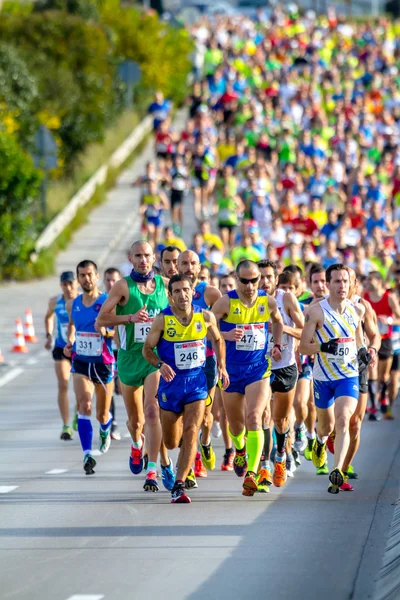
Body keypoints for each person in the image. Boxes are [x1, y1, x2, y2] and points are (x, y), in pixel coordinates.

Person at [143, 274, 229, 503]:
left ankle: (180, 484)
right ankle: (170, 462)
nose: (183, 295)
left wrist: (221, 365)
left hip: (196, 383)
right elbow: (147, 349)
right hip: (171, 385)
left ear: (193, 292)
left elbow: (218, 340)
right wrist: (160, 365)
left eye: (186, 290)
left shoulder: (206, 317)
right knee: (172, 441)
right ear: (170, 296)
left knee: (193, 429)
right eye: (177, 291)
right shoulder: (162, 320)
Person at [97, 241, 175, 492]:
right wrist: (129, 318)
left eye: (147, 255)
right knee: (136, 421)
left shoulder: (163, 286)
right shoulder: (123, 286)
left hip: (153, 359)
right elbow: (102, 319)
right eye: (138, 256)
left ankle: (153, 469)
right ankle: (135, 443)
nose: (143, 260)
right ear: (130, 258)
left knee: (153, 411)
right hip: (129, 359)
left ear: (155, 258)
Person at [212, 260, 284, 496]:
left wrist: (276, 344)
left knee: (254, 417)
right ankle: (240, 449)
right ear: (237, 279)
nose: (251, 285)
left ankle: (252, 474)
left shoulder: (267, 301)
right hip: (231, 371)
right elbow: (203, 328)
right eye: (245, 281)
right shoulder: (226, 302)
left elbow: (278, 322)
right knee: (235, 425)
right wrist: (226, 334)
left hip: (258, 370)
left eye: (255, 280)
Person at [299, 264, 365, 494]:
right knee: (325, 427)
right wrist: (324, 346)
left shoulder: (357, 311)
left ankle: (337, 470)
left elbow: (359, 340)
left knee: (344, 419)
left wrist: (365, 351)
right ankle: (318, 441)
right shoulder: (316, 311)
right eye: (337, 281)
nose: (342, 286)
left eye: (345, 281)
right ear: (328, 284)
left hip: (348, 375)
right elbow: (303, 347)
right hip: (322, 378)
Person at [64, 260, 115, 475]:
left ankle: (105, 429)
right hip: (81, 362)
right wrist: (69, 342)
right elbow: (73, 327)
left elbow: (117, 331)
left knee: (102, 414)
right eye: (82, 275)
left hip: (103, 363)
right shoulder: (72, 304)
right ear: (78, 279)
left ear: (97, 276)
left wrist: (106, 333)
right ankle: (87, 453)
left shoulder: (107, 301)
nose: (86, 278)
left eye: (90, 274)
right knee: (84, 404)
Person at [259, 262, 304, 488]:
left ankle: (280, 455)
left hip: (285, 366)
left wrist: (281, 327)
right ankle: (264, 465)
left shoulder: (286, 299)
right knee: (263, 415)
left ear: (276, 279)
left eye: (269, 277)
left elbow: (305, 330)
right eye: (261, 277)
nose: (264, 282)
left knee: (281, 419)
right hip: (259, 367)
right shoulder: (248, 301)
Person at [178, 250, 222, 480]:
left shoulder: (210, 293)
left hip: (205, 363)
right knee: (186, 418)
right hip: (178, 364)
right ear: (177, 267)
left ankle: (205, 443)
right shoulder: (172, 292)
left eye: (192, 263)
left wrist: (224, 361)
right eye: (183, 263)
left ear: (199, 267)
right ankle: (191, 465)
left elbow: (221, 328)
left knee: (204, 416)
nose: (188, 267)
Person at [44, 271, 78, 440]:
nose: (68, 288)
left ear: (76, 283)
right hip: (60, 347)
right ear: (61, 286)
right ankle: (66, 425)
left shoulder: (83, 300)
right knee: (63, 384)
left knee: (82, 389)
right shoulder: (54, 301)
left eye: (71, 284)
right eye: (65, 285)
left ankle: (79, 413)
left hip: (81, 349)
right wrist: (48, 335)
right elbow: (48, 317)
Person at [364, 271, 400, 419]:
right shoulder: (364, 297)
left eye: (370, 280)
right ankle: (373, 407)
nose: (367, 283)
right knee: (371, 373)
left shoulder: (389, 298)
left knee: (383, 375)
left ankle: (383, 396)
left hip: (385, 340)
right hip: (370, 340)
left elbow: (399, 318)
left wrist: (389, 321)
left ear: (379, 281)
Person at [103, 267, 122, 441]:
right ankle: (113, 422)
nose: (110, 284)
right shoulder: (101, 301)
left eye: (113, 280)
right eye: (107, 280)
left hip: (124, 352)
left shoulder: (125, 300)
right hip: (107, 354)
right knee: (109, 388)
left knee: (121, 388)